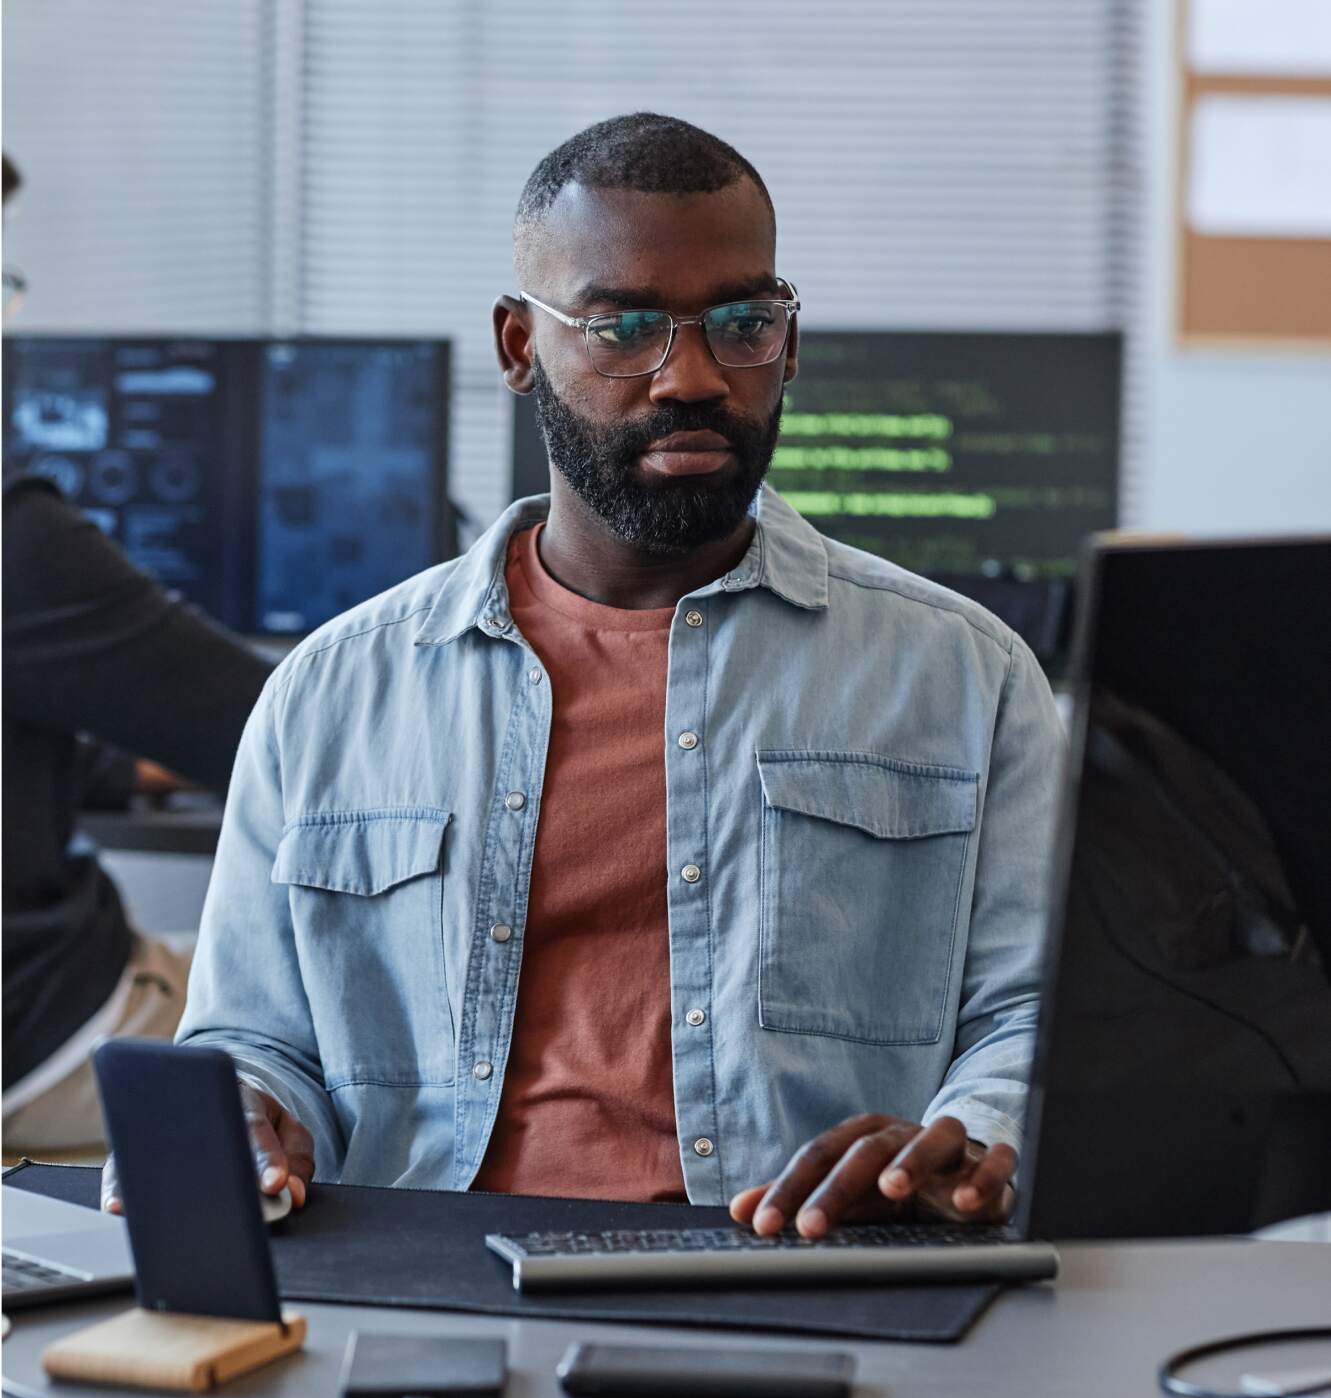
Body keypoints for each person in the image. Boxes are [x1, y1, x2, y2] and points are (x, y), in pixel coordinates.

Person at [106, 114, 1063, 1236]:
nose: (694, 377)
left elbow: (1036, 1014)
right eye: (623, 326)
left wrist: (971, 1134)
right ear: (519, 347)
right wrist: (245, 1110)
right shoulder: (331, 693)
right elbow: (253, 1036)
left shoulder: (965, 676)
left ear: (790, 342)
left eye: (744, 322)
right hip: (425, 1267)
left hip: (819, 1259)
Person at [2, 153, 274, 1152]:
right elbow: (285, 733)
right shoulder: (14, 542)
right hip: (39, 1041)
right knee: (349, 1034)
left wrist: (117, 759)